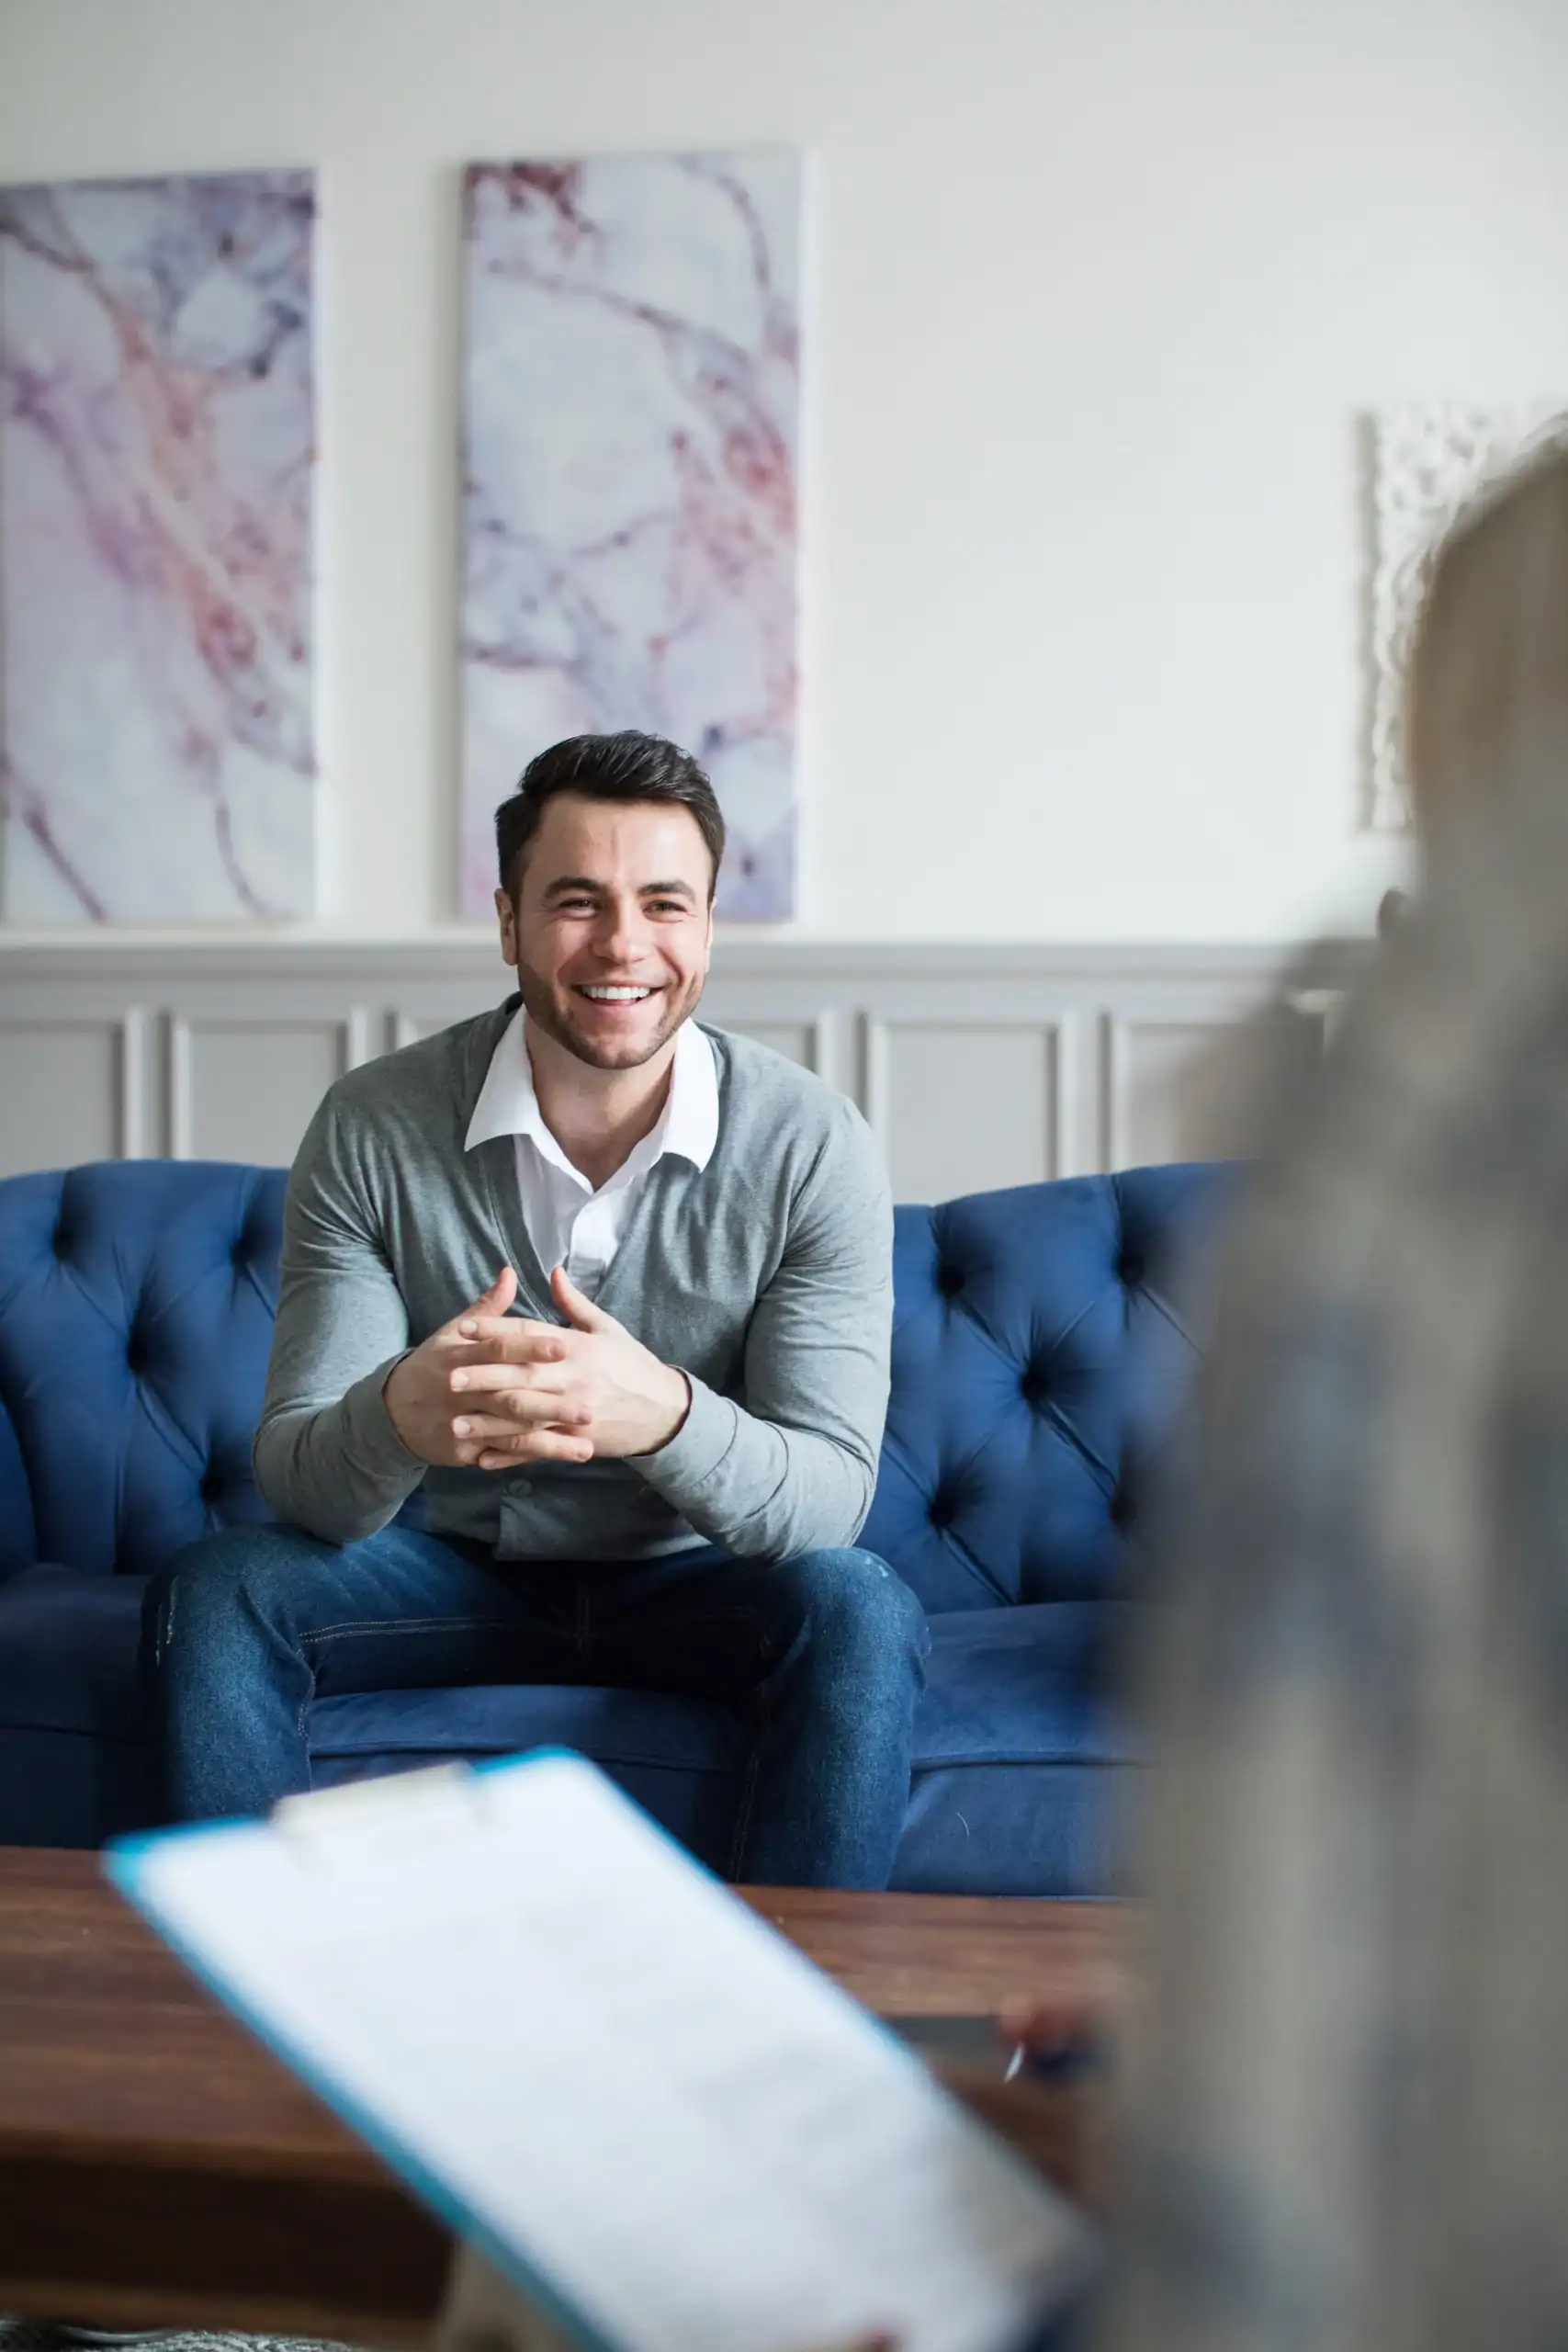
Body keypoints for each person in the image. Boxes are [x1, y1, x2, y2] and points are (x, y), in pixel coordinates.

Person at [141, 729, 928, 1887]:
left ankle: (800, 2033)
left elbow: (825, 1498)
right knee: (215, 1589)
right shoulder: (374, 1125)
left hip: (697, 1579)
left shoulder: (813, 1144)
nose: (623, 945)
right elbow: (303, 1479)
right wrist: (399, 1416)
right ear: (508, 922)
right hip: (447, 1573)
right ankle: (260, 2012)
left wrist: (659, 1413)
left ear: (707, 927)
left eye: (665, 903)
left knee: (860, 1609)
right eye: (577, 902)